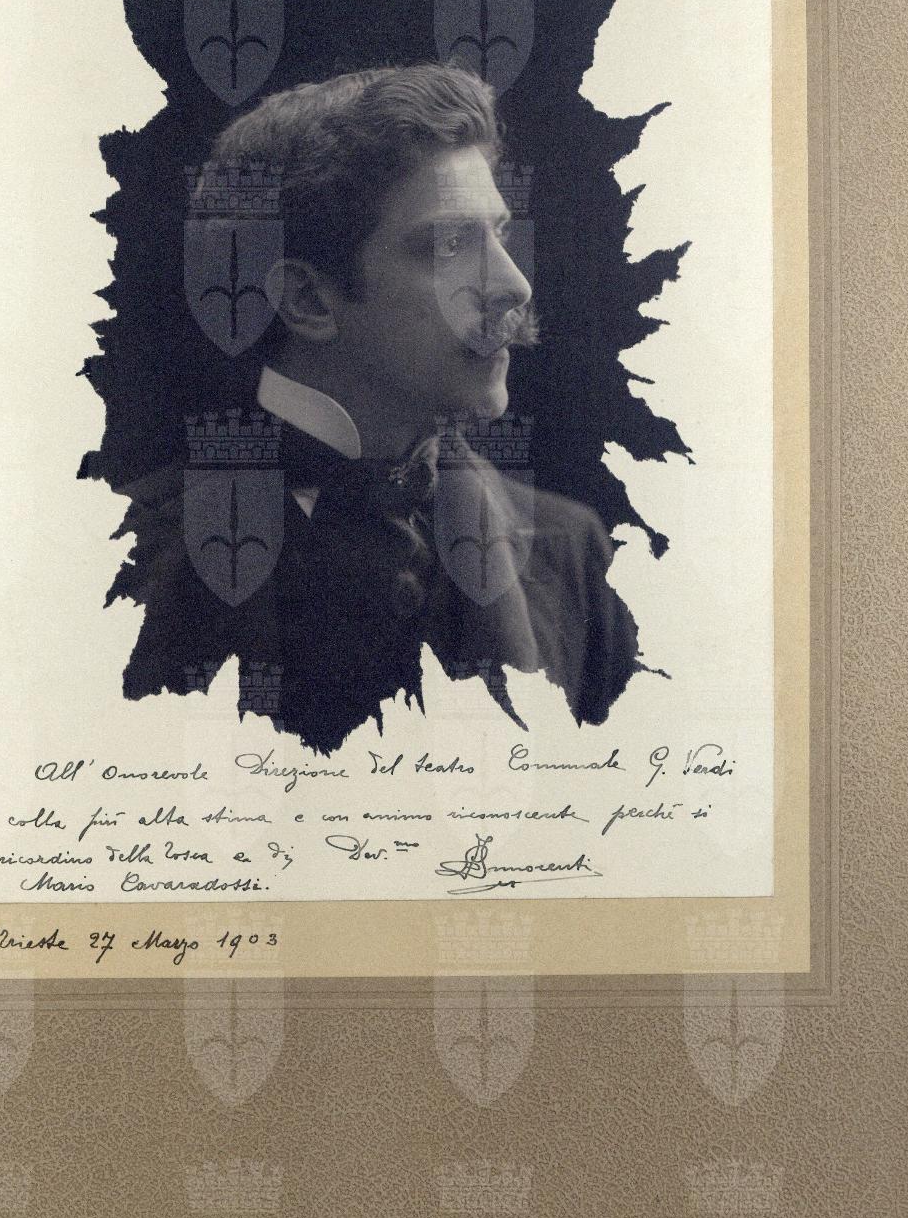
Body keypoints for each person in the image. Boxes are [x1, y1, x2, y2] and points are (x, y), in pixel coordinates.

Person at [112, 63, 641, 756]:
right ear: (307, 299)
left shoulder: (568, 550)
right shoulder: (130, 566)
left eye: (499, 234)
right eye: (450, 245)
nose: (512, 286)